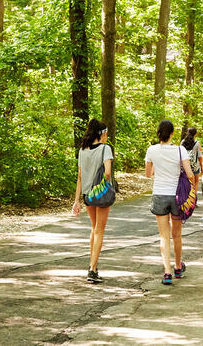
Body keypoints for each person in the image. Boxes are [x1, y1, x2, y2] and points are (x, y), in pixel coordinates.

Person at [145, 120, 194, 285]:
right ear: (172, 133)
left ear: (158, 133)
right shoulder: (181, 150)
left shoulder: (152, 150)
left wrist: (157, 166)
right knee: (177, 234)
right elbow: (190, 174)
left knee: (164, 236)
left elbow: (148, 174)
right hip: (177, 196)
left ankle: (167, 272)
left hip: (159, 194)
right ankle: (178, 267)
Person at [72, 119, 114, 283]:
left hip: (87, 195)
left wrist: (76, 200)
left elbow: (80, 176)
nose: (106, 136)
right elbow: (108, 172)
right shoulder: (105, 149)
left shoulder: (83, 150)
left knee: (94, 228)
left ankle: (93, 266)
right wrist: (103, 183)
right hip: (101, 194)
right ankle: (92, 269)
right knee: (99, 230)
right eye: (105, 133)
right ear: (102, 133)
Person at [181, 128, 203, 194]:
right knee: (195, 183)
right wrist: (201, 167)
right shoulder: (197, 143)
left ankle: (185, 199)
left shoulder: (182, 142)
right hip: (195, 166)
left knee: (185, 182)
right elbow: (200, 157)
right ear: (195, 134)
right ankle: (193, 199)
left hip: (184, 166)